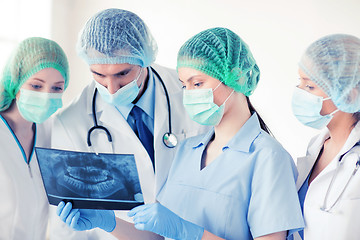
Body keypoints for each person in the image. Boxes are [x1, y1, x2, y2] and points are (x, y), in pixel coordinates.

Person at [56, 27, 304, 240]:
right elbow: (159, 235)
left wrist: (192, 233)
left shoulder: (268, 158)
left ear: (237, 77)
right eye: (184, 85)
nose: (189, 94)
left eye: (198, 84)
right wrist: (108, 221)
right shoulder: (187, 150)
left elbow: (180, 230)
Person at [49, 8, 207, 240]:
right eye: (99, 75)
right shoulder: (71, 122)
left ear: (144, 59)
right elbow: (70, 228)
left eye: (122, 73)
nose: (111, 89)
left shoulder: (189, 90)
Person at [291, 34, 360, 240]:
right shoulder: (317, 146)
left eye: (309, 86)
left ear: (348, 94)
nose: (299, 92)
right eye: (300, 82)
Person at [0, 37, 69, 239]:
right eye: (36, 86)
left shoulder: (51, 133)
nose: (47, 95)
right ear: (16, 82)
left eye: (57, 88)